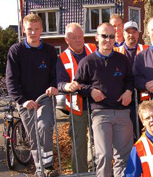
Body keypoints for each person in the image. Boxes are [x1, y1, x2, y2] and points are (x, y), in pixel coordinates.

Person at [75, 22, 134, 177]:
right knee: (105, 156)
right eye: (104, 36)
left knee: (124, 156)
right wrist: (91, 91)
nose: (108, 39)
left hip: (122, 113)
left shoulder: (123, 60)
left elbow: (130, 79)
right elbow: (78, 84)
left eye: (111, 36)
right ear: (96, 37)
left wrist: (128, 91)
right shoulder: (87, 62)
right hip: (100, 114)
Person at [6, 14, 58, 177]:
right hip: (25, 101)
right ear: (23, 29)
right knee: (34, 134)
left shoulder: (49, 50)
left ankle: (47, 165)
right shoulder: (16, 51)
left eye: (36, 29)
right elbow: (11, 79)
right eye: (30, 29)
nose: (33, 33)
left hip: (44, 99)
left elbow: (55, 75)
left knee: (44, 126)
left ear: (42, 30)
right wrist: (22, 100)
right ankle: (40, 169)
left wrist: (53, 86)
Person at [56, 23, 96, 173]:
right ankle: (80, 174)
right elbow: (59, 82)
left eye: (80, 37)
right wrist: (66, 86)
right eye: (74, 38)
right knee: (78, 144)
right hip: (77, 107)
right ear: (67, 40)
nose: (78, 40)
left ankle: (95, 172)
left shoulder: (93, 49)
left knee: (97, 142)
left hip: (97, 104)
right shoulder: (62, 58)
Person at [114, 21, 148, 139]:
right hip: (123, 99)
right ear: (123, 34)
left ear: (138, 34)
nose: (131, 35)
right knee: (126, 133)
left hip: (144, 98)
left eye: (134, 32)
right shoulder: (115, 52)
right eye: (128, 32)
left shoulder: (147, 50)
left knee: (144, 130)